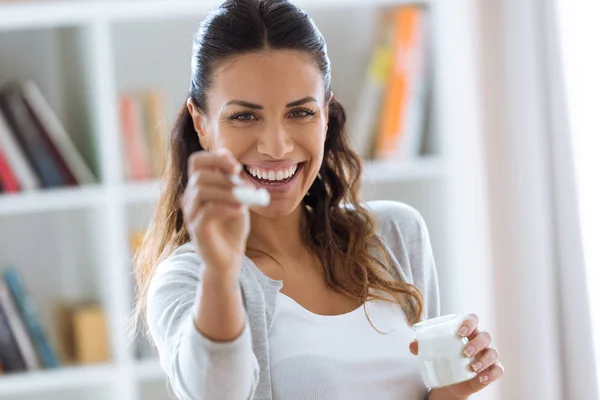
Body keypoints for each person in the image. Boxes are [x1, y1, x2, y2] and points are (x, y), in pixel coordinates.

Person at [132, 0, 503, 399]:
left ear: (326, 114)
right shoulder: (186, 279)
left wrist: (453, 391)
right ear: (201, 123)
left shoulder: (396, 234)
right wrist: (221, 271)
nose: (276, 146)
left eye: (300, 113)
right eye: (244, 116)